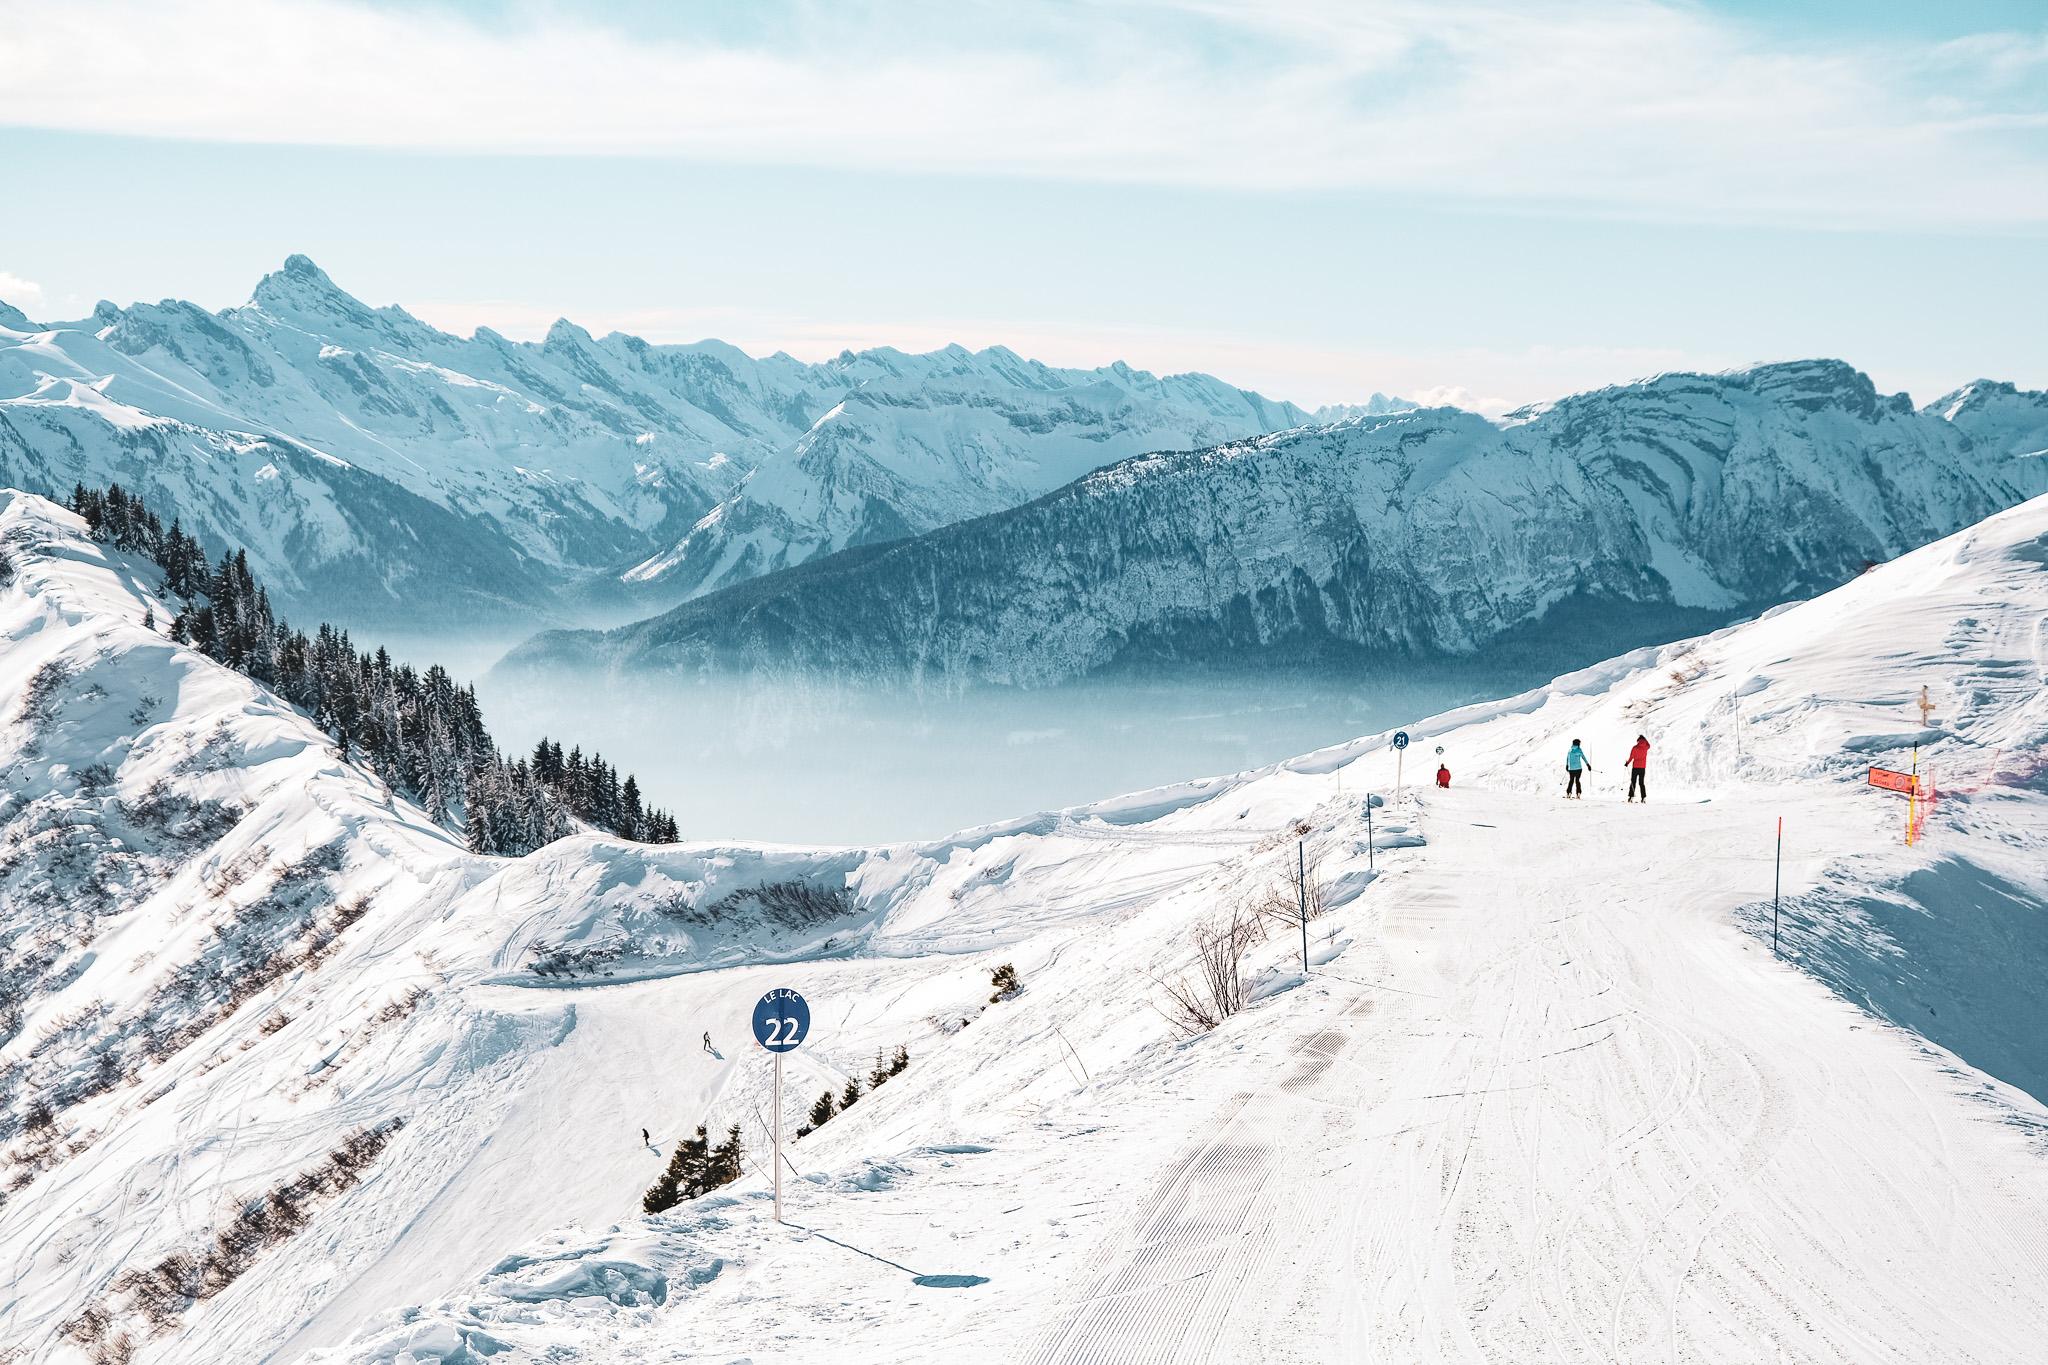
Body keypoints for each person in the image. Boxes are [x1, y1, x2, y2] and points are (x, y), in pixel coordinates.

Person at [1626, 734, 1650, 802]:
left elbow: (1631, 757)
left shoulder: (1635, 747)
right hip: (1642, 768)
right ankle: (1643, 798)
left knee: (1633, 782)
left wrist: (1627, 763)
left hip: (1635, 767)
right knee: (1641, 783)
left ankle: (1631, 797)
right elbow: (1649, 745)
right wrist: (1645, 739)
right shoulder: (1646, 747)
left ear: (1638, 740)